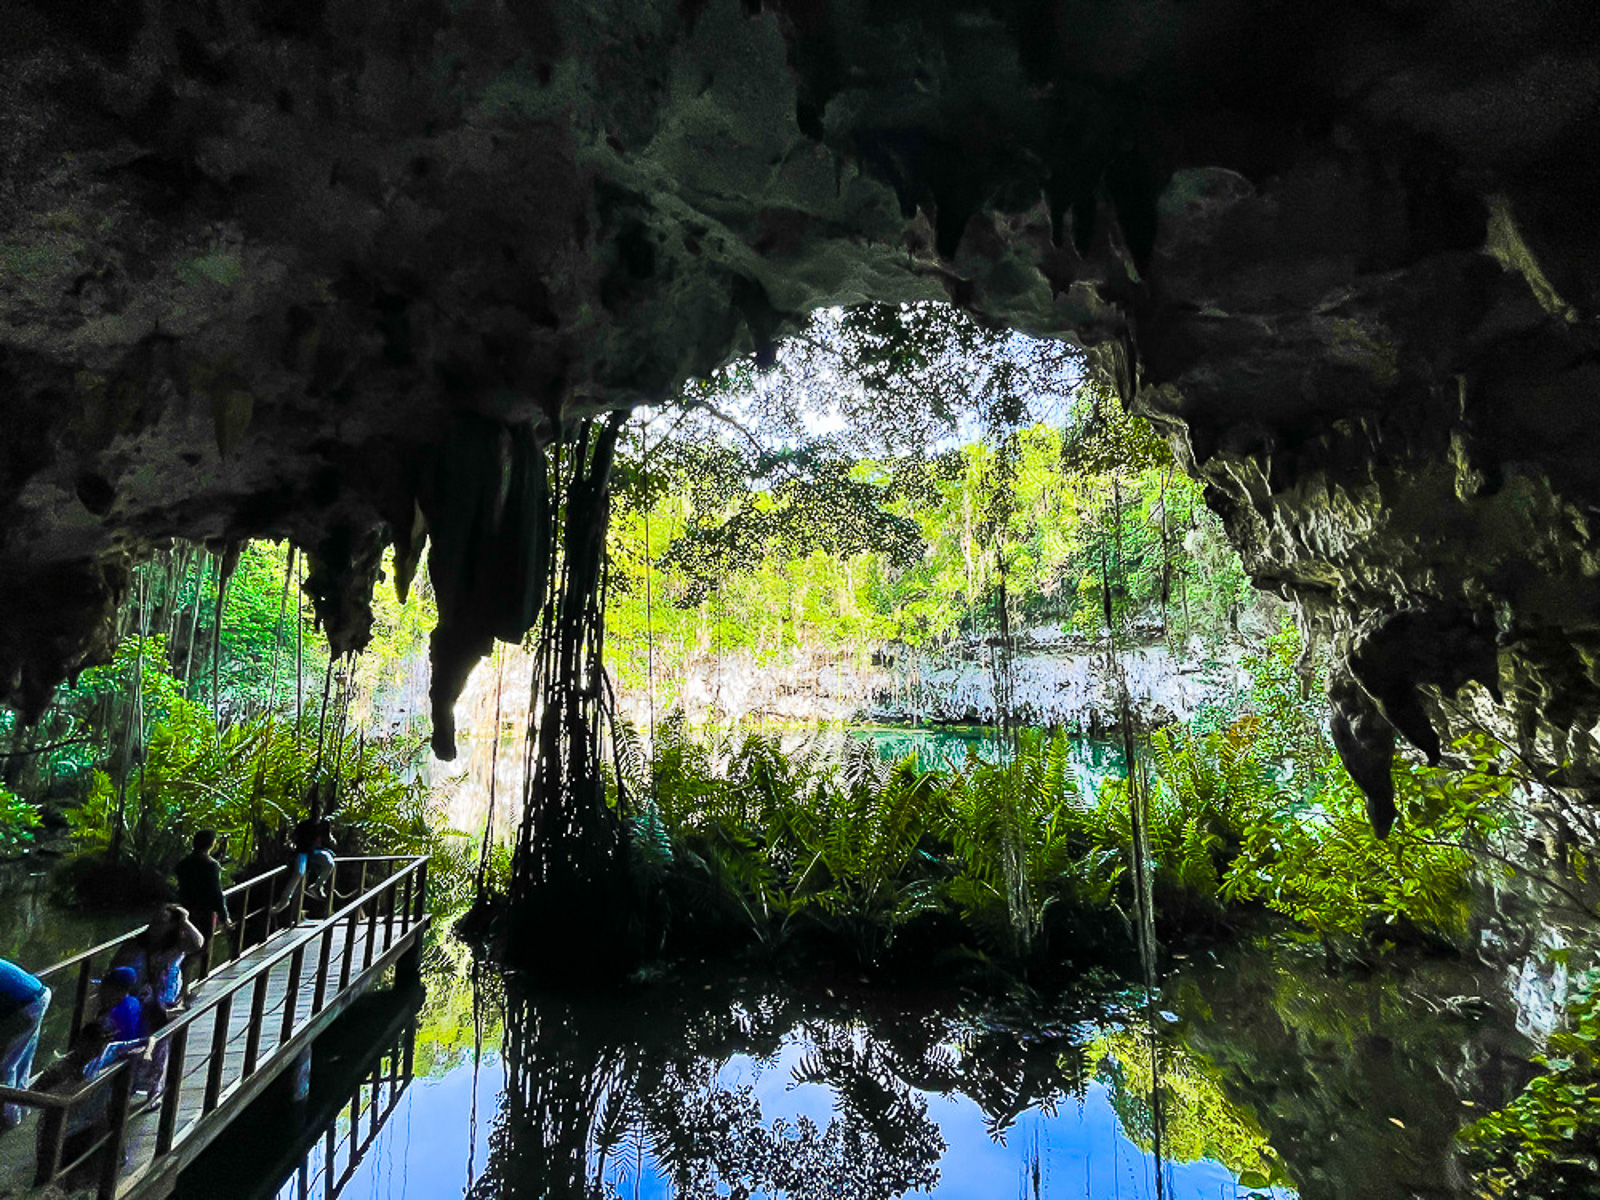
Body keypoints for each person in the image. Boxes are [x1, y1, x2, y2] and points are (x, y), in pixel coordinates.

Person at [0, 958, 50, 1130]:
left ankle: (9, 1118)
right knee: (22, 1059)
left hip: (27, 1006)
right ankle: (22, 1107)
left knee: (6, 1064)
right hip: (37, 995)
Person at [174, 830, 231, 975]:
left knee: (185, 945)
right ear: (211, 844)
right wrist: (224, 916)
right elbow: (216, 893)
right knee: (201, 946)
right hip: (205, 911)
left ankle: (183, 981)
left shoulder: (183, 863)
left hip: (186, 909)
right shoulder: (211, 865)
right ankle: (195, 979)